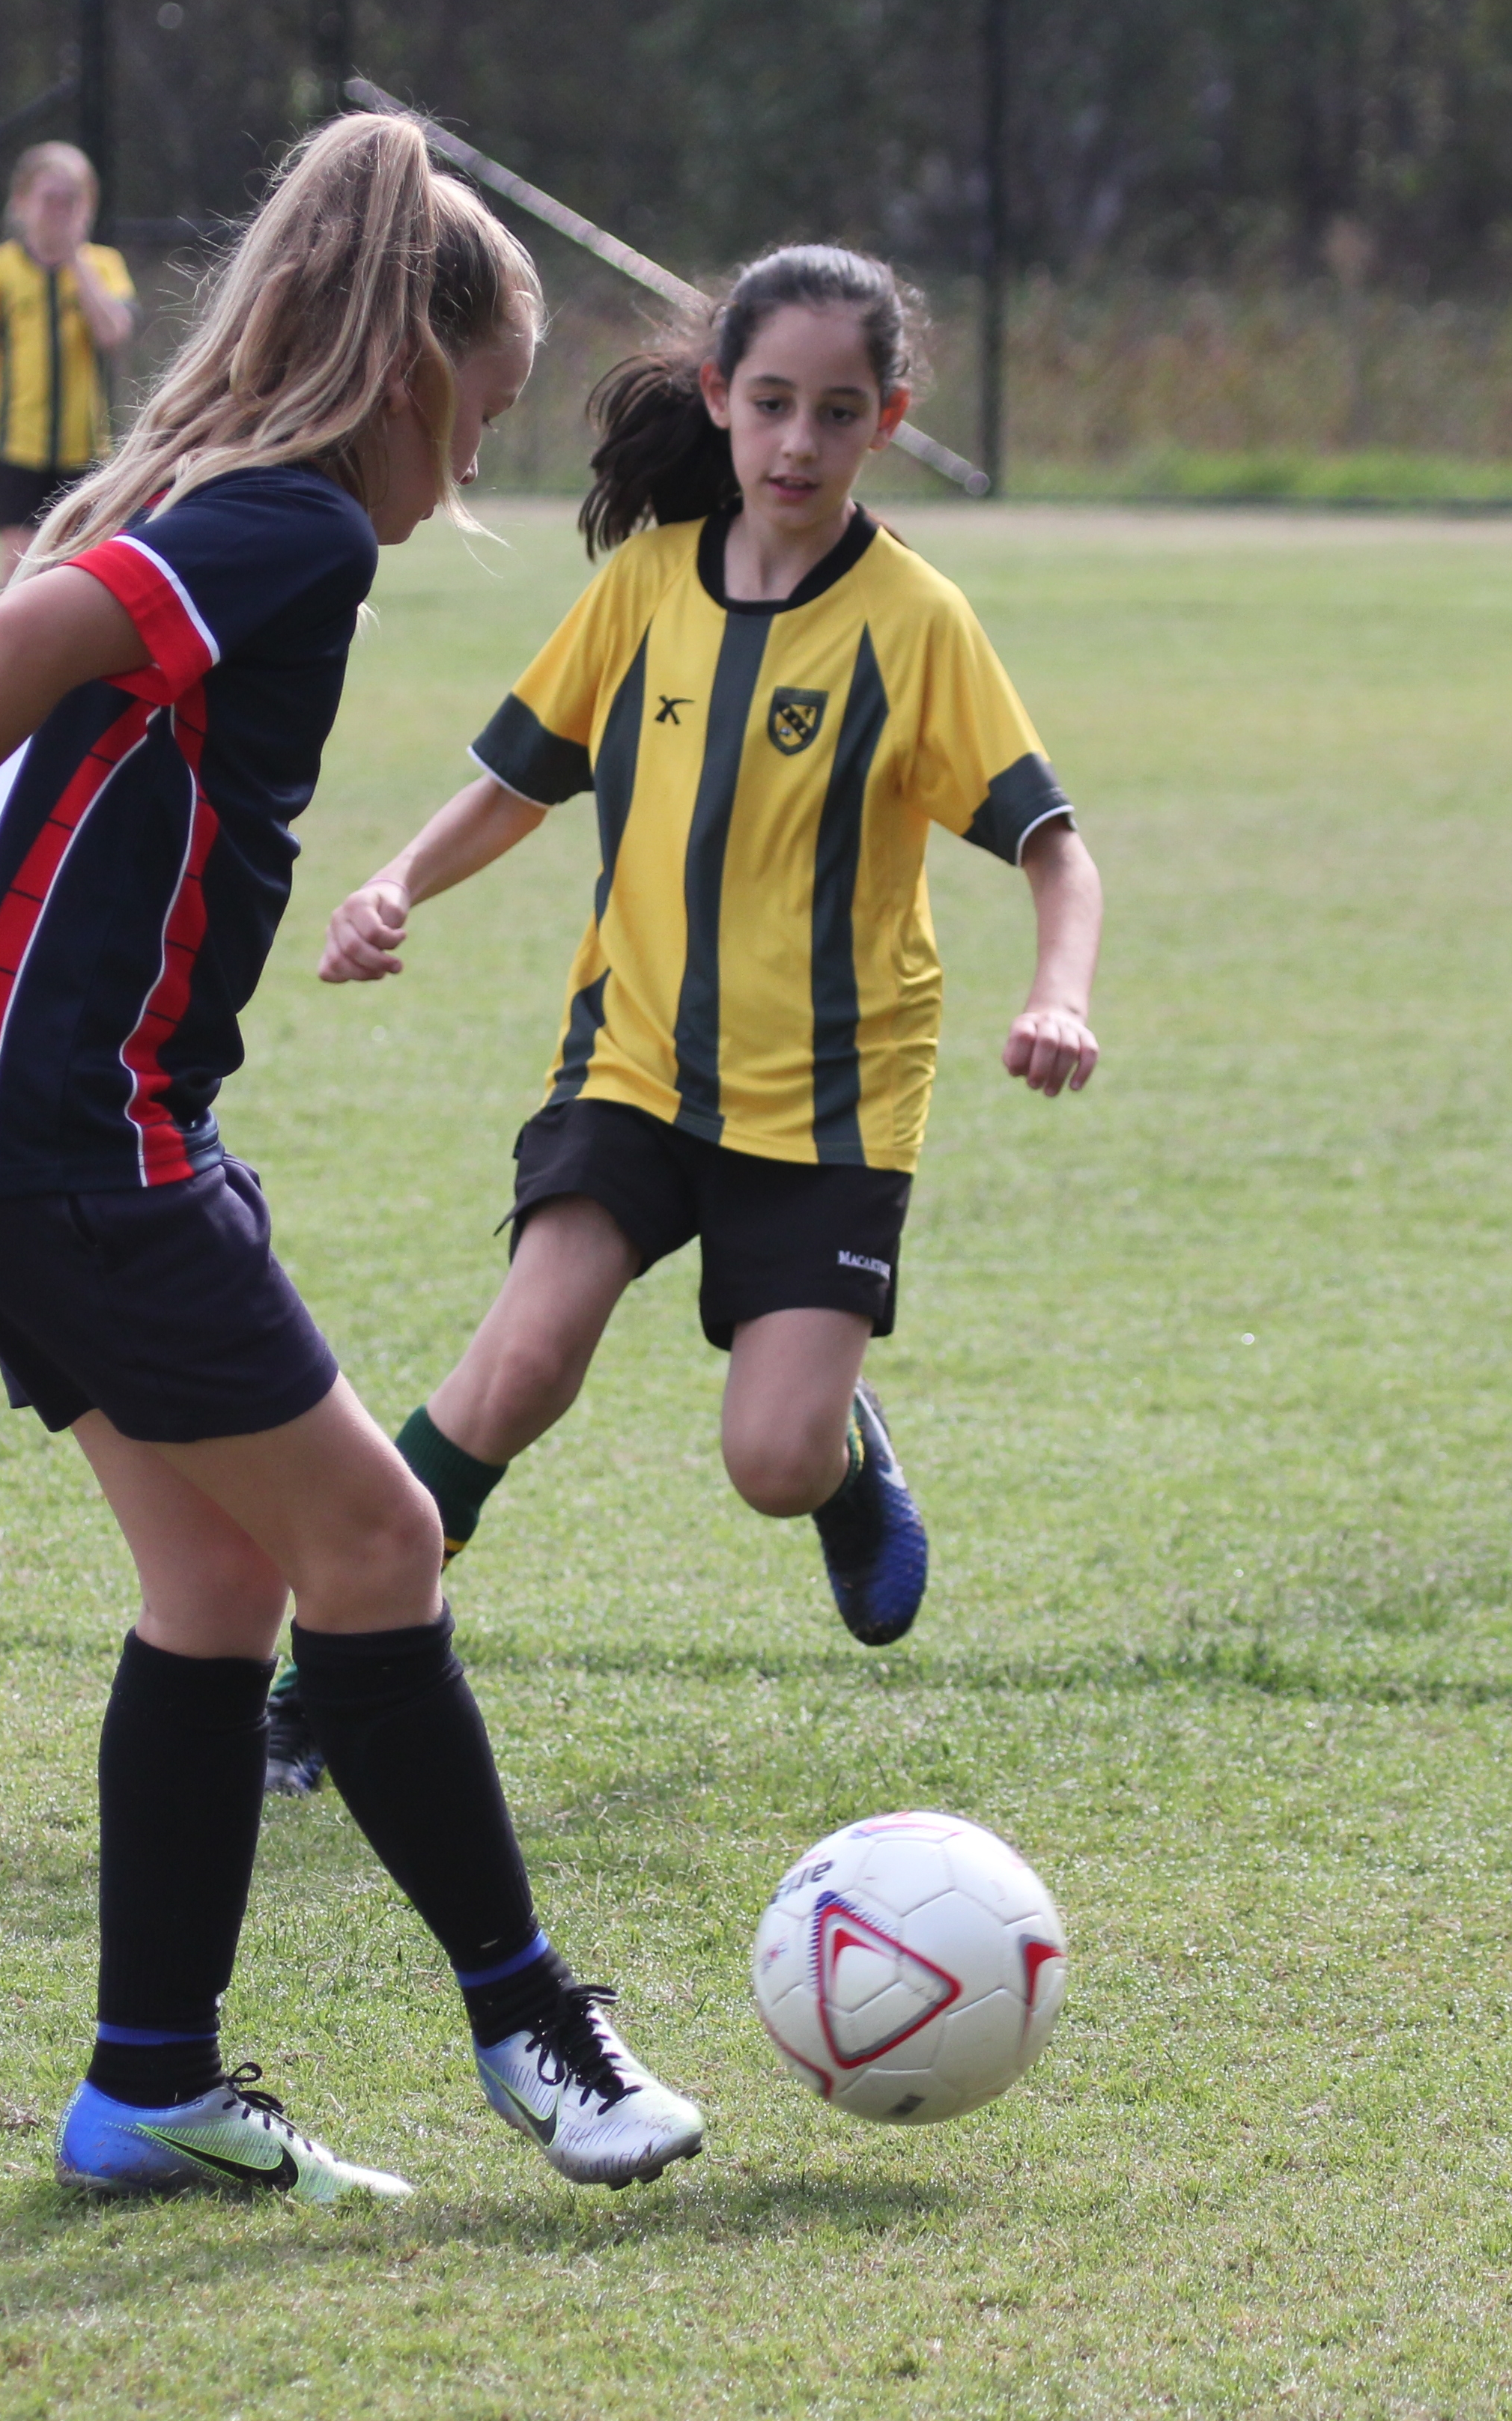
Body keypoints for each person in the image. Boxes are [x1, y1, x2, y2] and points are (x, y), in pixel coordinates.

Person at [0, 112, 708, 2204]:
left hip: (14, 1137)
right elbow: (7, 663)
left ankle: (146, 2087)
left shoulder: (181, 493)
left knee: (216, 1579)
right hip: (70, 1139)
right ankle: (535, 2031)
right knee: (376, 1545)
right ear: (410, 371)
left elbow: (14, 720)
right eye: (489, 414)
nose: (479, 463)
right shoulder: (293, 527)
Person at [266, 244, 1105, 1793]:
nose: (797, 444)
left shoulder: (915, 624)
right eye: (771, 403)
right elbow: (518, 782)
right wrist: (393, 885)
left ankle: (843, 1459)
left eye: (837, 414)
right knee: (520, 1364)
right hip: (631, 1063)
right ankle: (334, 1669)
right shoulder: (643, 590)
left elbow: (1058, 849)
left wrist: (1059, 993)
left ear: (888, 419)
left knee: (768, 1463)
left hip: (833, 1101)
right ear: (718, 398)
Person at [0, 142, 136, 589]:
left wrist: (75, 259)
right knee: (18, 572)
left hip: (87, 451)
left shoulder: (104, 266)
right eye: (49, 198)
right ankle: (1, 658)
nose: (59, 210)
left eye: (71, 200)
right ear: (21, 202)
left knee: (82, 574)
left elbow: (114, 334)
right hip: (16, 449)